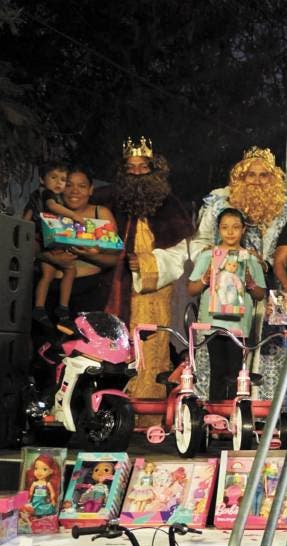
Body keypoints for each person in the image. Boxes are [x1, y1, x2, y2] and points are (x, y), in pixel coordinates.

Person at [194, 147, 287, 402]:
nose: (256, 180)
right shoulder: (218, 205)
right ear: (239, 178)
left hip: (269, 294)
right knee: (222, 354)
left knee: (269, 350)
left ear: (273, 179)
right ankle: (215, 408)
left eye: (263, 175)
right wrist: (215, 258)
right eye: (249, 175)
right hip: (222, 298)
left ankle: (263, 410)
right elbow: (200, 243)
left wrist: (263, 265)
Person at [104, 138, 196, 401]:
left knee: (151, 345)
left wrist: (146, 264)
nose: (136, 173)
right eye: (130, 167)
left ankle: (147, 407)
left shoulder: (168, 205)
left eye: (142, 167)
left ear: (153, 170)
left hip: (153, 292)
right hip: (112, 289)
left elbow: (180, 251)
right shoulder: (109, 201)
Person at [188, 208, 266, 404]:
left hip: (239, 324)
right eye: (225, 228)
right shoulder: (208, 256)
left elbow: (260, 294)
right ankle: (215, 415)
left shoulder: (249, 259)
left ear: (244, 230)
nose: (230, 232)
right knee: (218, 368)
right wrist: (206, 278)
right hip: (213, 323)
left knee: (236, 371)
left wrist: (250, 284)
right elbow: (192, 288)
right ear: (218, 230)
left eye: (235, 227)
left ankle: (234, 414)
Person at [37, 166, 121, 316]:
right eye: (68, 185)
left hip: (87, 293)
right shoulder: (49, 212)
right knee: (45, 339)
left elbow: (115, 258)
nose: (74, 191)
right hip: (47, 293)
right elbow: (28, 246)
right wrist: (49, 257)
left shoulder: (100, 213)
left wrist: (91, 256)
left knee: (82, 340)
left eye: (82, 186)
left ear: (90, 190)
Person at [24, 161, 77, 333]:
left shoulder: (35, 196)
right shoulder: (48, 195)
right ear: (41, 179)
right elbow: (52, 208)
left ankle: (39, 308)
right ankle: (63, 307)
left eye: (63, 179)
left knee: (47, 274)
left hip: (42, 239)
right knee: (70, 270)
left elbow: (26, 217)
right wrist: (77, 217)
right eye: (53, 178)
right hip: (45, 240)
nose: (59, 183)